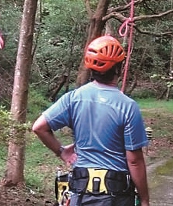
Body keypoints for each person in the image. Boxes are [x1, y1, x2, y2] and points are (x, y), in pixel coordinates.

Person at [32, 35, 150, 206]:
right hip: (115, 194)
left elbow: (39, 127)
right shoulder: (127, 106)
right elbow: (134, 160)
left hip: (81, 193)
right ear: (119, 68)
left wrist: (62, 151)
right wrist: (145, 199)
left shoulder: (73, 98)